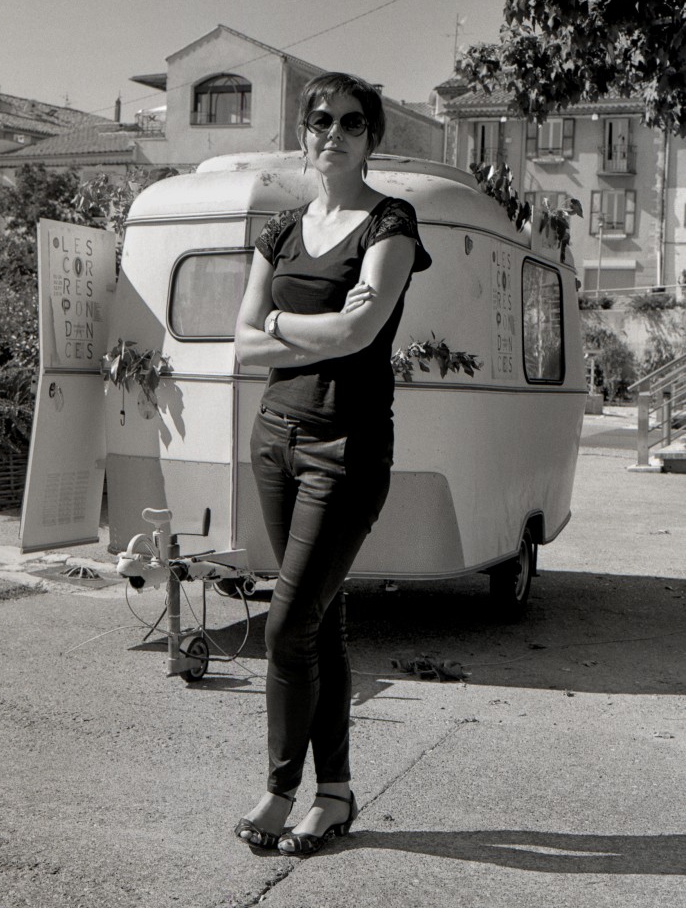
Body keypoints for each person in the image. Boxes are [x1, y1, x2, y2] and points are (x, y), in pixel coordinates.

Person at [233, 71, 431, 856]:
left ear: (371, 137)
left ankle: (281, 790)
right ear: (304, 132)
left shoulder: (391, 222)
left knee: (287, 626)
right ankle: (337, 793)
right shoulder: (280, 230)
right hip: (274, 439)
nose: (334, 133)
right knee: (320, 623)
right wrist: (298, 326)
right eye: (321, 120)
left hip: (346, 447)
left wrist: (278, 321)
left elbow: (359, 333)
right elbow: (241, 342)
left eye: (352, 122)